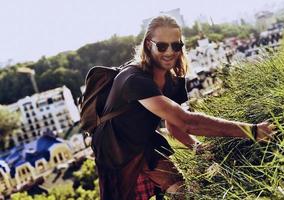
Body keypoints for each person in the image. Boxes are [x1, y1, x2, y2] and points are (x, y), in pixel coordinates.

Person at [91, 15, 274, 200]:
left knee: (181, 189)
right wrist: (252, 131)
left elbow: (173, 125)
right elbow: (186, 121)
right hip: (114, 147)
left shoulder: (171, 79)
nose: (170, 52)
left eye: (176, 45)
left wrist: (196, 147)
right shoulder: (135, 79)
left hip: (144, 142)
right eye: (162, 46)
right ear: (148, 44)